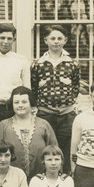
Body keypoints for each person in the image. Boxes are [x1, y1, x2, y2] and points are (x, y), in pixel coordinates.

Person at [31, 25, 80, 174]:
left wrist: (67, 104)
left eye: (59, 38)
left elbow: (76, 88)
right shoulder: (38, 64)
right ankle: (44, 181)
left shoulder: (72, 63)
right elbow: (34, 89)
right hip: (45, 114)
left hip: (67, 115)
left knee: (65, 150)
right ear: (46, 40)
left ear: (65, 40)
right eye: (53, 38)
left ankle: (64, 180)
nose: (56, 42)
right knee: (45, 148)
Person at [0, 86, 58, 180]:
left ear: (31, 103)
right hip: (10, 180)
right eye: (16, 102)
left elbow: (55, 151)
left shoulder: (43, 125)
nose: (20, 105)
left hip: (41, 180)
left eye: (24, 102)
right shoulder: (3, 125)